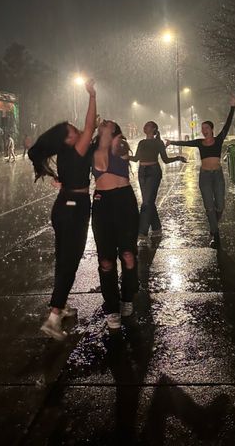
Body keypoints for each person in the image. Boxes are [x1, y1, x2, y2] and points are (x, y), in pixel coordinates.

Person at [28, 79, 97, 341]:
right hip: (74, 207)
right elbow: (90, 126)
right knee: (70, 260)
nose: (79, 129)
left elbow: (90, 129)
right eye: (73, 128)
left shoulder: (71, 151)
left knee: (63, 257)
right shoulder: (75, 148)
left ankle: (61, 304)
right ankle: (54, 317)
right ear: (68, 137)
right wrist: (92, 95)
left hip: (63, 206)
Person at [166, 97, 235, 249]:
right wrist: (171, 142)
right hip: (204, 176)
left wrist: (232, 107)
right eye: (202, 129)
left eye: (206, 128)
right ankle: (215, 236)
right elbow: (185, 143)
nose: (204, 131)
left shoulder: (219, 140)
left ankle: (213, 225)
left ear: (212, 130)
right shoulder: (199, 142)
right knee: (209, 207)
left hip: (217, 175)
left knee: (220, 205)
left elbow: (228, 124)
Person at [91, 119, 139, 330]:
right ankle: (112, 306)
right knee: (106, 261)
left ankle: (127, 297)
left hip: (124, 201)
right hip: (102, 204)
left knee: (128, 255)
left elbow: (113, 154)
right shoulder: (92, 149)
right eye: (103, 122)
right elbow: (92, 163)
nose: (105, 121)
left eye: (109, 123)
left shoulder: (120, 144)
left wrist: (109, 135)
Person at [130, 121, 187, 245]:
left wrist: (178, 157)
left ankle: (142, 232)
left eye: (148, 125)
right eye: (145, 125)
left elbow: (165, 160)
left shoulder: (158, 143)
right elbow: (135, 159)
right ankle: (156, 228)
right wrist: (123, 156)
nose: (145, 126)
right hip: (142, 173)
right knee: (148, 202)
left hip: (153, 172)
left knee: (146, 203)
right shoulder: (142, 142)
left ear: (154, 129)